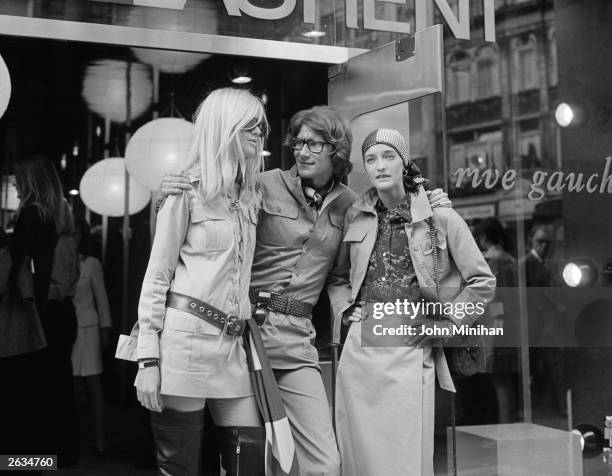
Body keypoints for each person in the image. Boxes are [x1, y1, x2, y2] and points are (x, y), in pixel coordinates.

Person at [159, 107, 452, 475]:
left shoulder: (352, 205)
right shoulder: (261, 184)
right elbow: (204, 205)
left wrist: (435, 204)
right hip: (245, 336)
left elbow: (343, 272)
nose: (302, 151)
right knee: (252, 457)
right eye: (298, 143)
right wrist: (165, 194)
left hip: (297, 341)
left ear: (336, 150)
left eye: (314, 143)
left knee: (325, 464)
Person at [117, 87, 299, 476]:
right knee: (178, 465)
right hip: (184, 346)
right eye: (250, 126)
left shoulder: (250, 194)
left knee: (248, 460)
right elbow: (157, 277)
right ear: (225, 128)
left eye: (261, 127)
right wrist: (147, 359)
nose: (258, 134)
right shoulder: (185, 190)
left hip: (234, 346)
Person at [326, 128, 496, 476]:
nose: (380, 166)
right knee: (357, 450)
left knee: (402, 454)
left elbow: (482, 281)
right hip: (359, 349)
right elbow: (339, 277)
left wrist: (448, 324)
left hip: (409, 344)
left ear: (404, 162)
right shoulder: (355, 216)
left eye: (388, 156)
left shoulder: (440, 217)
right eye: (371, 159)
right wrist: (345, 310)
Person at [5, 155, 80, 466]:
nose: (16, 186)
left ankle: (30, 460)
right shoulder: (62, 214)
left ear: (31, 181)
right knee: (58, 386)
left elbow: (15, 263)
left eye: (20, 180)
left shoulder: (31, 216)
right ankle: (62, 454)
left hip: (38, 314)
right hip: (63, 312)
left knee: (29, 392)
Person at [71, 217, 112, 453]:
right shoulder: (59, 259)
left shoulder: (92, 263)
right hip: (67, 326)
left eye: (76, 233)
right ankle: (73, 436)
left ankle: (99, 437)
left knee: (93, 381)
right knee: (71, 383)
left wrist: (105, 327)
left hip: (88, 327)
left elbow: (102, 297)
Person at [474, 217, 519, 423]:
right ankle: (506, 423)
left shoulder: (495, 263)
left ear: (484, 237)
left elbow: (493, 297)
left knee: (500, 380)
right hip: (508, 323)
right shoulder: (510, 260)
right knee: (504, 380)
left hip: (496, 323)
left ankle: (505, 425)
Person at [520, 223, 566, 415]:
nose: (544, 246)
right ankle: (531, 407)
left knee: (553, 364)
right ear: (532, 241)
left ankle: (560, 405)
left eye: (547, 242)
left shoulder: (550, 264)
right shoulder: (525, 263)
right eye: (540, 242)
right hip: (533, 322)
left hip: (548, 322)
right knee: (530, 366)